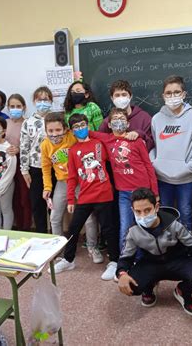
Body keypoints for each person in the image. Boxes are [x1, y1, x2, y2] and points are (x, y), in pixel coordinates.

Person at [116, 188, 192, 315]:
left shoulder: (174, 224)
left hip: (176, 261)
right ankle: (148, 287)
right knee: (131, 285)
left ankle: (183, 291)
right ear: (132, 211)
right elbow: (125, 257)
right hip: (151, 263)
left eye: (147, 210)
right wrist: (121, 274)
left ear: (156, 207)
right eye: (138, 211)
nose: (143, 216)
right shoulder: (132, 231)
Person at [51, 113, 120, 280]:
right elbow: (72, 177)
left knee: (108, 229)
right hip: (84, 196)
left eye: (83, 125)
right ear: (71, 130)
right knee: (74, 228)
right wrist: (70, 199)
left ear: (87, 125)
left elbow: (110, 139)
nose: (80, 129)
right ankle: (69, 259)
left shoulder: (99, 144)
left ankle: (114, 262)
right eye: (76, 127)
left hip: (104, 194)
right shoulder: (73, 150)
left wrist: (94, 134)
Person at [90, 108, 158, 251]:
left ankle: (144, 259)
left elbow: (148, 166)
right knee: (125, 227)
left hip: (143, 192)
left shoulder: (136, 140)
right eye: (115, 119)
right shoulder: (107, 139)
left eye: (122, 119)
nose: (118, 122)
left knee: (144, 226)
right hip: (124, 193)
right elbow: (88, 132)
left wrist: (155, 193)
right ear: (108, 125)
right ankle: (125, 261)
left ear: (128, 124)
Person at [40, 112, 101, 263]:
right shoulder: (45, 145)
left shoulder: (72, 138)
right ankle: (59, 250)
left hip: (81, 182)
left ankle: (92, 247)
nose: (54, 134)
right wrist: (47, 187)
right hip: (62, 183)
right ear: (46, 131)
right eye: (51, 131)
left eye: (58, 130)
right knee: (54, 217)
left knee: (88, 217)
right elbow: (46, 168)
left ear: (66, 129)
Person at [150, 75, 192, 231]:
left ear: (184, 94)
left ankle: (186, 250)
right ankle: (168, 250)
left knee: (186, 215)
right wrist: (155, 164)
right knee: (164, 215)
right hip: (163, 179)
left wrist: (188, 169)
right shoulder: (156, 119)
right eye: (168, 93)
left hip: (186, 180)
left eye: (176, 92)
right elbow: (154, 145)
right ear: (163, 96)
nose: (172, 96)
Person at [20, 86, 53, 233]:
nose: (43, 102)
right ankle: (42, 235)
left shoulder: (57, 119)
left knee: (54, 205)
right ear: (34, 101)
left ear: (51, 101)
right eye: (40, 99)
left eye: (46, 99)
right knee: (37, 204)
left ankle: (55, 235)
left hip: (54, 168)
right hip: (35, 168)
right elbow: (24, 147)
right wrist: (24, 170)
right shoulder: (28, 122)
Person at [99, 79, 154, 151]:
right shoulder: (107, 122)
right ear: (112, 98)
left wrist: (140, 134)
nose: (121, 98)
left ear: (130, 96)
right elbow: (100, 145)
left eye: (124, 94)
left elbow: (152, 143)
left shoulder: (144, 118)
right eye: (117, 95)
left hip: (139, 160)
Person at [5, 93, 32, 231]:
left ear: (24, 107)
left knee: (24, 198)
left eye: (18, 106)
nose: (15, 109)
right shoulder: (5, 123)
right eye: (12, 106)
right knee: (13, 198)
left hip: (23, 165)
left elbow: (32, 145)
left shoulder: (28, 123)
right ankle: (18, 225)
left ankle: (26, 227)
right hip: (7, 166)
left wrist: (19, 150)